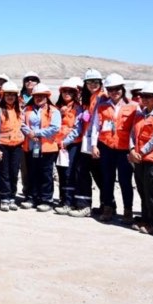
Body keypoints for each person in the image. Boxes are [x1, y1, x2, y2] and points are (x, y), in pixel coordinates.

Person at [90, 73, 138, 222]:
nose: (114, 92)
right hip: (106, 147)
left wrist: (133, 149)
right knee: (107, 180)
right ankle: (108, 208)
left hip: (124, 149)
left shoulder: (133, 106)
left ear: (122, 89)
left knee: (125, 181)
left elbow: (135, 130)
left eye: (117, 89)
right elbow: (95, 126)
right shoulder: (102, 106)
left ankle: (128, 211)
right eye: (110, 89)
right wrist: (93, 145)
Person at [127, 81, 153, 234]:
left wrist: (140, 152)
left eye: (148, 96)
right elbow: (133, 133)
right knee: (142, 190)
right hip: (139, 158)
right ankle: (145, 219)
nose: (144, 99)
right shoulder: (140, 114)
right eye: (142, 96)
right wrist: (132, 149)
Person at [21, 83, 61, 212]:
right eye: (37, 96)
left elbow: (55, 128)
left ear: (47, 96)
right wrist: (29, 133)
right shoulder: (27, 109)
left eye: (42, 96)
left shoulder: (54, 110)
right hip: (31, 146)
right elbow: (21, 124)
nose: (39, 98)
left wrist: (37, 133)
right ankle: (32, 197)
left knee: (46, 174)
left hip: (47, 148)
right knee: (32, 172)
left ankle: (46, 199)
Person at [73, 68, 105, 216]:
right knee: (93, 172)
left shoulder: (101, 97)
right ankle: (105, 204)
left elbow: (98, 122)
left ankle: (85, 205)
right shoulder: (91, 97)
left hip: (95, 142)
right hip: (88, 140)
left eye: (95, 82)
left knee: (86, 171)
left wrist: (94, 144)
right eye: (89, 82)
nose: (92, 84)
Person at [53, 77, 84, 215]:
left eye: (70, 91)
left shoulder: (78, 108)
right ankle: (63, 199)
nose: (67, 93)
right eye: (64, 91)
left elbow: (77, 128)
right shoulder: (56, 108)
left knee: (69, 173)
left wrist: (66, 141)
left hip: (71, 145)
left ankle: (69, 202)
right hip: (58, 145)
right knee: (61, 173)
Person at [0, 81, 24, 212]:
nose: (10, 97)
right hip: (3, 146)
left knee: (14, 173)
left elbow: (23, 127)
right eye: (7, 95)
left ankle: (12, 197)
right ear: (3, 96)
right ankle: (4, 198)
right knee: (4, 173)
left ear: (16, 96)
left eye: (13, 95)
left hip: (17, 146)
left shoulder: (19, 110)